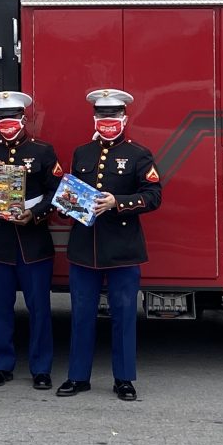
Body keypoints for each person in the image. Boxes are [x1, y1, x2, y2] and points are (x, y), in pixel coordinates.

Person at [56, 88, 162, 402]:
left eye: (113, 115)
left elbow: (154, 196)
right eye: (102, 115)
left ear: (124, 118)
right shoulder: (82, 153)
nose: (107, 120)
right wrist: (66, 204)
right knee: (81, 316)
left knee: (124, 316)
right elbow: (72, 193)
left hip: (122, 249)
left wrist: (118, 202)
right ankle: (78, 377)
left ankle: (124, 379)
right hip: (84, 248)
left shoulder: (139, 154)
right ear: (94, 118)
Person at [0, 89, 62, 391]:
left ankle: (41, 368)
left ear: (23, 119)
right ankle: (0, 365)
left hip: (33, 243)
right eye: (1, 118)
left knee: (40, 310)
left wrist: (35, 214)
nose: (7, 122)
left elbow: (57, 193)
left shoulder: (43, 151)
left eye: (11, 117)